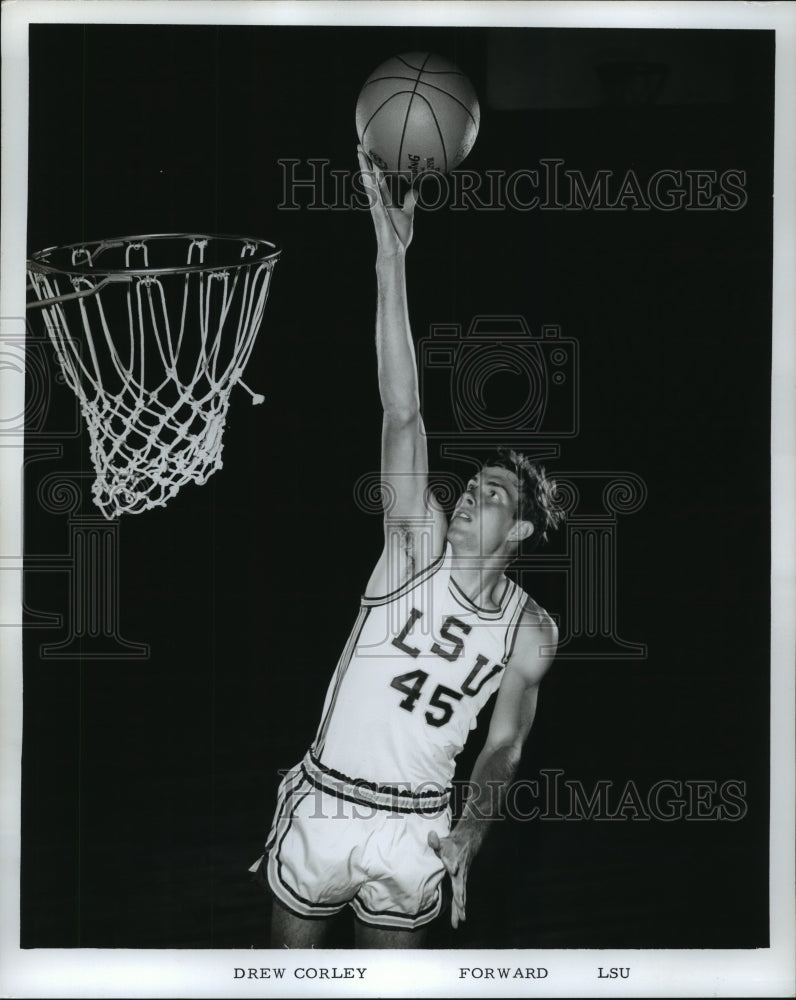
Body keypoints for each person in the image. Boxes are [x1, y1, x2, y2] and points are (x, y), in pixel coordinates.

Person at [250, 148, 564, 949]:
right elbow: (401, 409)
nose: (474, 494)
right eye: (474, 484)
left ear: (521, 530)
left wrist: (471, 833)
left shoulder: (531, 629)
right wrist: (390, 257)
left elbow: (505, 746)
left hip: (418, 829)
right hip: (326, 800)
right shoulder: (413, 542)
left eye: (497, 493)